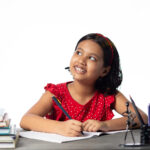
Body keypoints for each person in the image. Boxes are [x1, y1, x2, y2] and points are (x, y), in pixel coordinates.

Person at [20, 33, 148, 137]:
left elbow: (142, 118)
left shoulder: (108, 95)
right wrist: (59, 127)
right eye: (79, 53)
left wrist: (105, 125)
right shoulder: (56, 93)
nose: (81, 61)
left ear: (104, 70)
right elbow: (26, 120)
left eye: (92, 58)